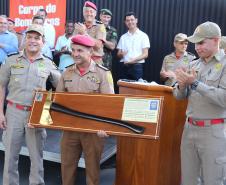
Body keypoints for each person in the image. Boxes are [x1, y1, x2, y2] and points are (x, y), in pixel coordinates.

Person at [0, 24, 61, 185]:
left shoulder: (49, 63)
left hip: (37, 114)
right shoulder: (12, 59)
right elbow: (1, 86)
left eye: (37, 38)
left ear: (43, 42)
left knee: (36, 158)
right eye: (30, 37)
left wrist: (47, 111)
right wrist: (0, 113)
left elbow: (61, 89)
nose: (33, 41)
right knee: (10, 157)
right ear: (24, 39)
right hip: (13, 112)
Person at [56, 34, 114, 185]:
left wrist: (105, 127)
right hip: (70, 129)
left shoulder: (103, 73)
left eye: (80, 50)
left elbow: (110, 104)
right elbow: (58, 101)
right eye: (73, 50)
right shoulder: (66, 72)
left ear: (90, 52)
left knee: (92, 170)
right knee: (67, 168)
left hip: (93, 130)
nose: (75, 54)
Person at [173, 21, 226, 185]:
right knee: (188, 180)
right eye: (196, 43)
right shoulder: (193, 64)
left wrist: (195, 83)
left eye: (201, 42)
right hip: (189, 130)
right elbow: (178, 95)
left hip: (213, 131)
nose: (197, 47)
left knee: (213, 180)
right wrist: (181, 85)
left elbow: (223, 99)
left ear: (216, 40)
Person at [117, 12, 150, 80]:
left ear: (136, 20)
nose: (130, 22)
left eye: (132, 19)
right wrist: (121, 54)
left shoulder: (143, 36)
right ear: (125, 22)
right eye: (127, 20)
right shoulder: (123, 37)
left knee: (136, 89)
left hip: (137, 67)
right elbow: (118, 54)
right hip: (124, 67)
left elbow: (145, 54)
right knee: (123, 88)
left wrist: (133, 60)